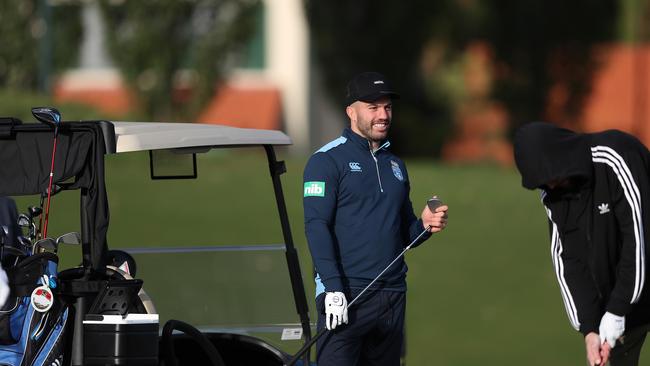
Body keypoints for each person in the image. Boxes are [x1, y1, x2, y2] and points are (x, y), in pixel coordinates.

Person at [303, 71, 449, 365]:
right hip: (345, 294)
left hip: (392, 295)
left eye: (387, 107)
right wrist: (332, 288)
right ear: (351, 112)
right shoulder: (326, 161)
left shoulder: (396, 165)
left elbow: (404, 235)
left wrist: (424, 225)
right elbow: (316, 225)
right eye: (373, 107)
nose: (383, 115)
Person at [513, 122, 649, 366]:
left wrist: (617, 309)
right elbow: (568, 260)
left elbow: (638, 239)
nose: (550, 185)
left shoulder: (614, 158)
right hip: (623, 308)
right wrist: (590, 328)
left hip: (631, 292)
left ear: (559, 157)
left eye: (550, 177)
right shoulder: (552, 193)